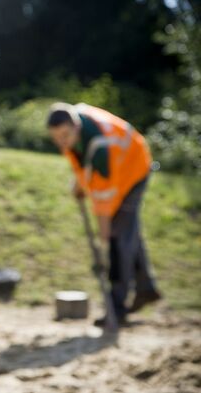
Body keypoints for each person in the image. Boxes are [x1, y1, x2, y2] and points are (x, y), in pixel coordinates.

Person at [46, 102, 162, 326]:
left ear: (76, 126)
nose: (61, 142)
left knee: (118, 241)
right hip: (118, 166)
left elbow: (104, 201)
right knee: (127, 233)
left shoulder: (101, 147)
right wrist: (80, 183)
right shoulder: (75, 129)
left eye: (64, 136)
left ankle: (117, 306)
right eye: (56, 137)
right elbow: (81, 160)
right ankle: (146, 288)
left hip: (133, 170)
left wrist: (104, 241)